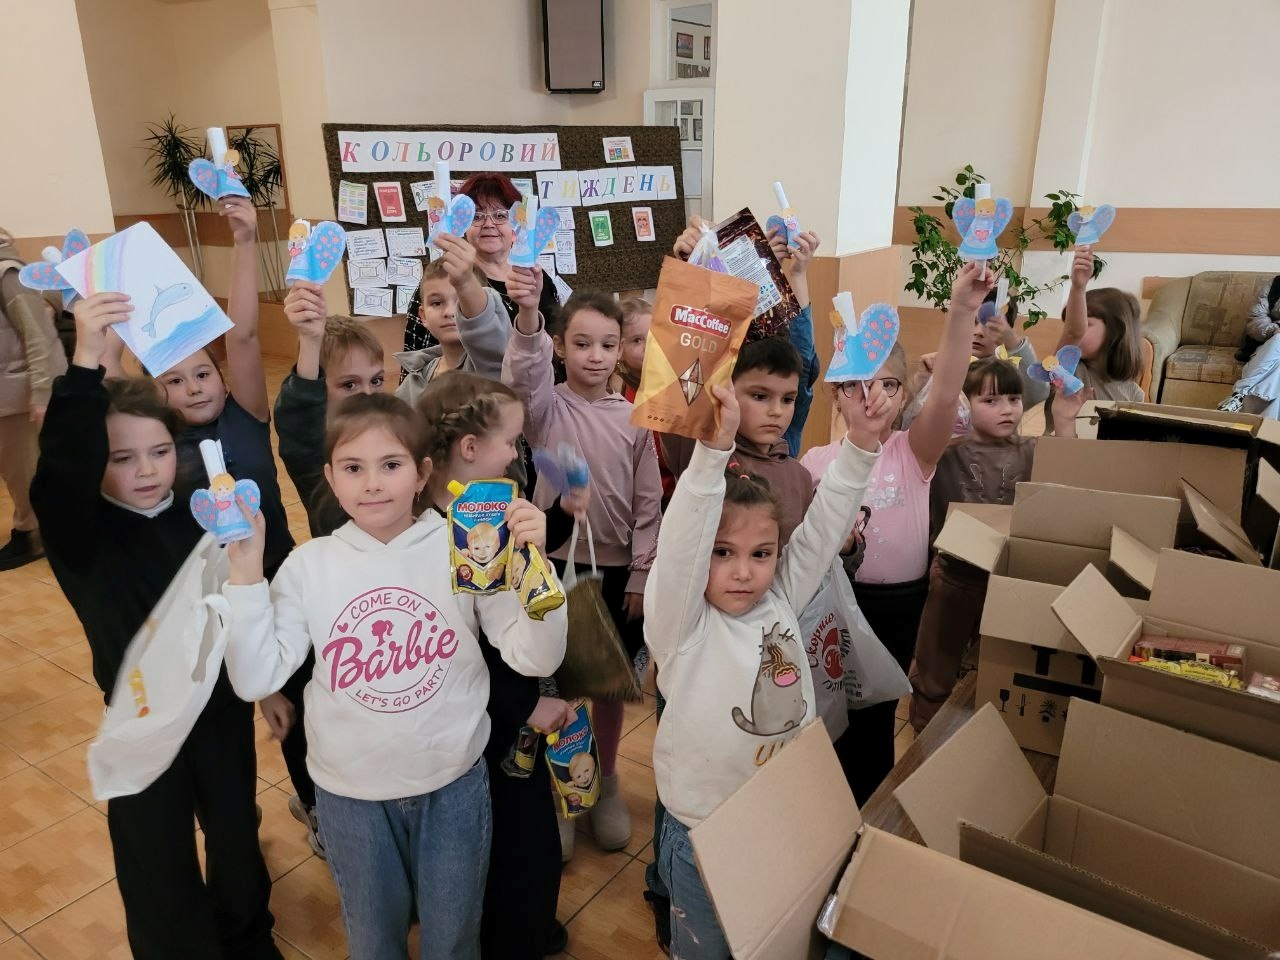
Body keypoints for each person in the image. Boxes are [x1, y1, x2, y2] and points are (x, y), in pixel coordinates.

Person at [222, 392, 567, 960]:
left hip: (453, 786)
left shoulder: (463, 550)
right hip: (349, 798)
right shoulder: (311, 566)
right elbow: (256, 675)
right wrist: (244, 573)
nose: (373, 483)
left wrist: (534, 568)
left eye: (391, 464)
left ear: (422, 471)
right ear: (331, 478)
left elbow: (536, 658)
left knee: (453, 940)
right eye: (354, 468)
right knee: (374, 941)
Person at [32, 292, 279, 960]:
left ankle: (249, 936)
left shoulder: (200, 511)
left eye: (160, 451)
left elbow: (241, 601)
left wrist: (270, 686)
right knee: (156, 857)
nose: (146, 471)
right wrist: (86, 362)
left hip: (221, 710)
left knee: (234, 836)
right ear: (96, 466)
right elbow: (58, 471)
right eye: (120, 458)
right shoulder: (84, 536)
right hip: (141, 719)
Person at [647, 380, 885, 959]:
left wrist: (860, 441)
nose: (743, 572)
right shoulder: (681, 627)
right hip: (704, 835)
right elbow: (682, 545)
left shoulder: (780, 599)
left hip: (781, 818)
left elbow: (825, 528)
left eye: (761, 553)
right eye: (722, 553)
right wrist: (713, 452)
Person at [802, 261, 995, 804]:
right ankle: (825, 812)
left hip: (897, 607)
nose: (874, 397)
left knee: (876, 719)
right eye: (859, 385)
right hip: (835, 605)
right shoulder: (816, 462)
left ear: (904, 395)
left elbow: (948, 389)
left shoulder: (913, 451)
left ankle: (865, 814)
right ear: (837, 393)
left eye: (888, 384)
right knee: (829, 717)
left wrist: (961, 311)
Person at [155, 196, 304, 843]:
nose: (194, 385)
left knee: (295, 707)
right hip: (208, 605)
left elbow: (242, 335)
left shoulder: (244, 415)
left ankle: (318, 806)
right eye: (175, 381)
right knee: (222, 735)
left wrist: (244, 239)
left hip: (279, 585)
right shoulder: (158, 453)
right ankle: (231, 828)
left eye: (202, 372)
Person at [417, 370, 578, 959]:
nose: (516, 455)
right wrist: (526, 704)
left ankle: (523, 928)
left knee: (520, 836)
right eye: (510, 442)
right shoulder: (429, 537)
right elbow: (458, 651)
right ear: (469, 448)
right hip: (485, 724)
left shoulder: (488, 514)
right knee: (511, 844)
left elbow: (523, 621)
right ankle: (516, 936)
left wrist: (545, 534)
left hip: (508, 710)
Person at [503, 268, 663, 859]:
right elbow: (524, 373)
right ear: (561, 346)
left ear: (622, 350)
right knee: (559, 682)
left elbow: (650, 503)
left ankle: (609, 778)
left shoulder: (638, 418)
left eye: (608, 345)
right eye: (581, 343)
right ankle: (567, 782)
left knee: (609, 685)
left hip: (619, 575)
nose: (595, 357)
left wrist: (643, 573)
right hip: (554, 564)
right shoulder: (545, 410)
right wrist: (527, 320)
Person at [907, 357, 1090, 730]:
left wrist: (1066, 419)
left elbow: (1067, 472)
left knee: (999, 662)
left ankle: (985, 728)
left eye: (1013, 399)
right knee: (935, 665)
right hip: (954, 576)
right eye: (990, 401)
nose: (1006, 409)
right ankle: (923, 735)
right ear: (964, 404)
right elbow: (912, 426)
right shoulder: (948, 450)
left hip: (1007, 577)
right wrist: (927, 384)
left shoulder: (1029, 449)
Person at [402, 173, 560, 356]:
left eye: (500, 215)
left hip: (540, 381)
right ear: (462, 222)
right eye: (476, 216)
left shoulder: (536, 279)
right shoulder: (445, 278)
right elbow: (415, 357)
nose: (488, 224)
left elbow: (559, 344)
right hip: (469, 383)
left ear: (518, 222)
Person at [274, 281, 387, 538]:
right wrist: (311, 340)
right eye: (349, 384)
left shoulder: (395, 436)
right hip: (344, 573)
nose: (367, 394)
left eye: (376, 380)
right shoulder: (315, 454)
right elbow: (300, 413)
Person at [0, 228, 67, 568]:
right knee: (15, 469)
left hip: (17, 392)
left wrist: (41, 393)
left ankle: (32, 535)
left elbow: (38, 335)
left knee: (23, 468)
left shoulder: (6, 271)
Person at [902, 288, 1050, 435]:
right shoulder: (936, 368)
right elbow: (900, 422)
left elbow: (1038, 392)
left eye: (990, 324)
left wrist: (1013, 342)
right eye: (972, 322)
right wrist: (919, 381)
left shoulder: (1005, 375)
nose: (978, 332)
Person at [395, 236, 512, 404]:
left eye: (460, 302)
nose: (450, 312)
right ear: (423, 316)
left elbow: (488, 335)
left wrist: (466, 283)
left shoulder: (491, 363)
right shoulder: (413, 382)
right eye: (436, 303)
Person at [1044, 246, 1144, 434]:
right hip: (1060, 456)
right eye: (1069, 323)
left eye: (1087, 324)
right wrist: (1078, 287)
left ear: (1116, 330)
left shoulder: (1134, 394)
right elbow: (1073, 332)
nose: (1076, 329)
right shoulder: (1069, 371)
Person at [1219, 275, 1280, 415]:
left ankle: (1238, 397)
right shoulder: (1276, 285)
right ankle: (1267, 433)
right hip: (1268, 344)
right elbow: (1255, 319)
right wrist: (1274, 329)